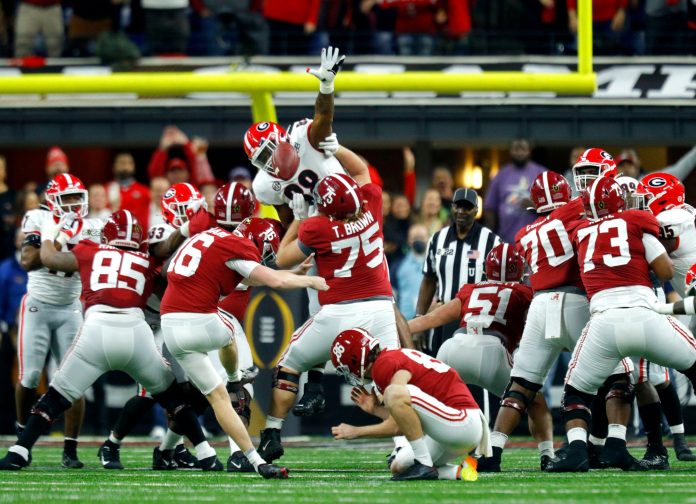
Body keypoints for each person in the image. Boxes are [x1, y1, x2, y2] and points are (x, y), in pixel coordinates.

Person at [0, 210, 219, 471]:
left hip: (96, 331)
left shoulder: (90, 251)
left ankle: (19, 451)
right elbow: (166, 285)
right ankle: (206, 454)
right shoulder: (147, 259)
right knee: (172, 397)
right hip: (136, 333)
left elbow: (49, 258)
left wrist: (49, 233)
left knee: (55, 398)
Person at [159, 209, 328, 479]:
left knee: (218, 398)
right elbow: (274, 280)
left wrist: (293, 272)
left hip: (170, 326)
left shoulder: (211, 237)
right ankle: (235, 377)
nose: (268, 255)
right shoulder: (239, 246)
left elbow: (247, 276)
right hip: (200, 321)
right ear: (259, 241)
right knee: (230, 337)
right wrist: (310, 280)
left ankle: (254, 459)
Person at [546, 176, 696, 472]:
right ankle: (654, 443)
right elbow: (665, 270)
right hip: (646, 315)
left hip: (603, 322)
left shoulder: (581, 232)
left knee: (575, 391)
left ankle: (577, 449)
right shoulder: (641, 223)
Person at [267, 166, 400, 463]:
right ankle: (406, 446)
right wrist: (335, 147)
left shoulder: (318, 227)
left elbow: (282, 259)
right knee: (393, 380)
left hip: (338, 310)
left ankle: (272, 433)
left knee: (288, 366)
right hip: (380, 309)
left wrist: (300, 219)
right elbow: (362, 171)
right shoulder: (372, 204)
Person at [409, 242, 554, 467]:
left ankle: (411, 450)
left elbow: (431, 319)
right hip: (492, 352)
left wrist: (397, 329)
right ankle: (546, 455)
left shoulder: (470, 289)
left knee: (427, 403)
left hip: (452, 348)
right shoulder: (525, 293)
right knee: (533, 400)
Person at [17, 173, 104, 469]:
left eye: (76, 198)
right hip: (38, 306)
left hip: (70, 308)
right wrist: (55, 235)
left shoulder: (93, 226)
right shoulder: (38, 217)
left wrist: (61, 241)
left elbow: (90, 258)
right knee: (29, 377)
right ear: (52, 200)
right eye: (65, 198)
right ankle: (22, 438)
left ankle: (71, 449)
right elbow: (27, 261)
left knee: (74, 382)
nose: (71, 204)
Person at [329, 328, 489, 481]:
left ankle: (424, 464)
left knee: (394, 392)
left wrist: (356, 432)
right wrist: (376, 409)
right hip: (451, 427)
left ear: (356, 360)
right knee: (399, 465)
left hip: (461, 423)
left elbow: (396, 426)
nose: (350, 375)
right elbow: (406, 418)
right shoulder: (390, 358)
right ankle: (461, 471)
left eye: (347, 369)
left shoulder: (383, 365)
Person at [414, 187, 500, 355]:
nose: (461, 211)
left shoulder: (491, 241)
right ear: (451, 207)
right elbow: (429, 280)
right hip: (443, 318)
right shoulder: (437, 239)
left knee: (470, 377)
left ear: (476, 210)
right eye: (457, 206)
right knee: (439, 372)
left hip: (476, 321)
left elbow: (500, 285)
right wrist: (419, 320)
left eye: (467, 207)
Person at [484, 138, 546, 243]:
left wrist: (535, 205)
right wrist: (489, 237)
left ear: (529, 151)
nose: (519, 153)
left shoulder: (541, 172)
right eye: (516, 149)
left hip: (535, 241)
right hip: (505, 239)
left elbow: (554, 207)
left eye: (523, 149)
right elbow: (490, 209)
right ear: (510, 151)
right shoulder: (501, 175)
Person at [107, 153, 151, 230]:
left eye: (129, 163)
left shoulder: (145, 191)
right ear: (113, 167)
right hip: (112, 236)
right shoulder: (105, 190)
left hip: (138, 236)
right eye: (122, 163)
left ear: (134, 167)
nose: (125, 166)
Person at [395, 223, 428, 320]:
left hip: (431, 319)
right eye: (415, 238)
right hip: (407, 320)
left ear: (428, 238)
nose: (419, 240)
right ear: (409, 240)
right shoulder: (398, 266)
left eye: (422, 237)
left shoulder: (437, 263)